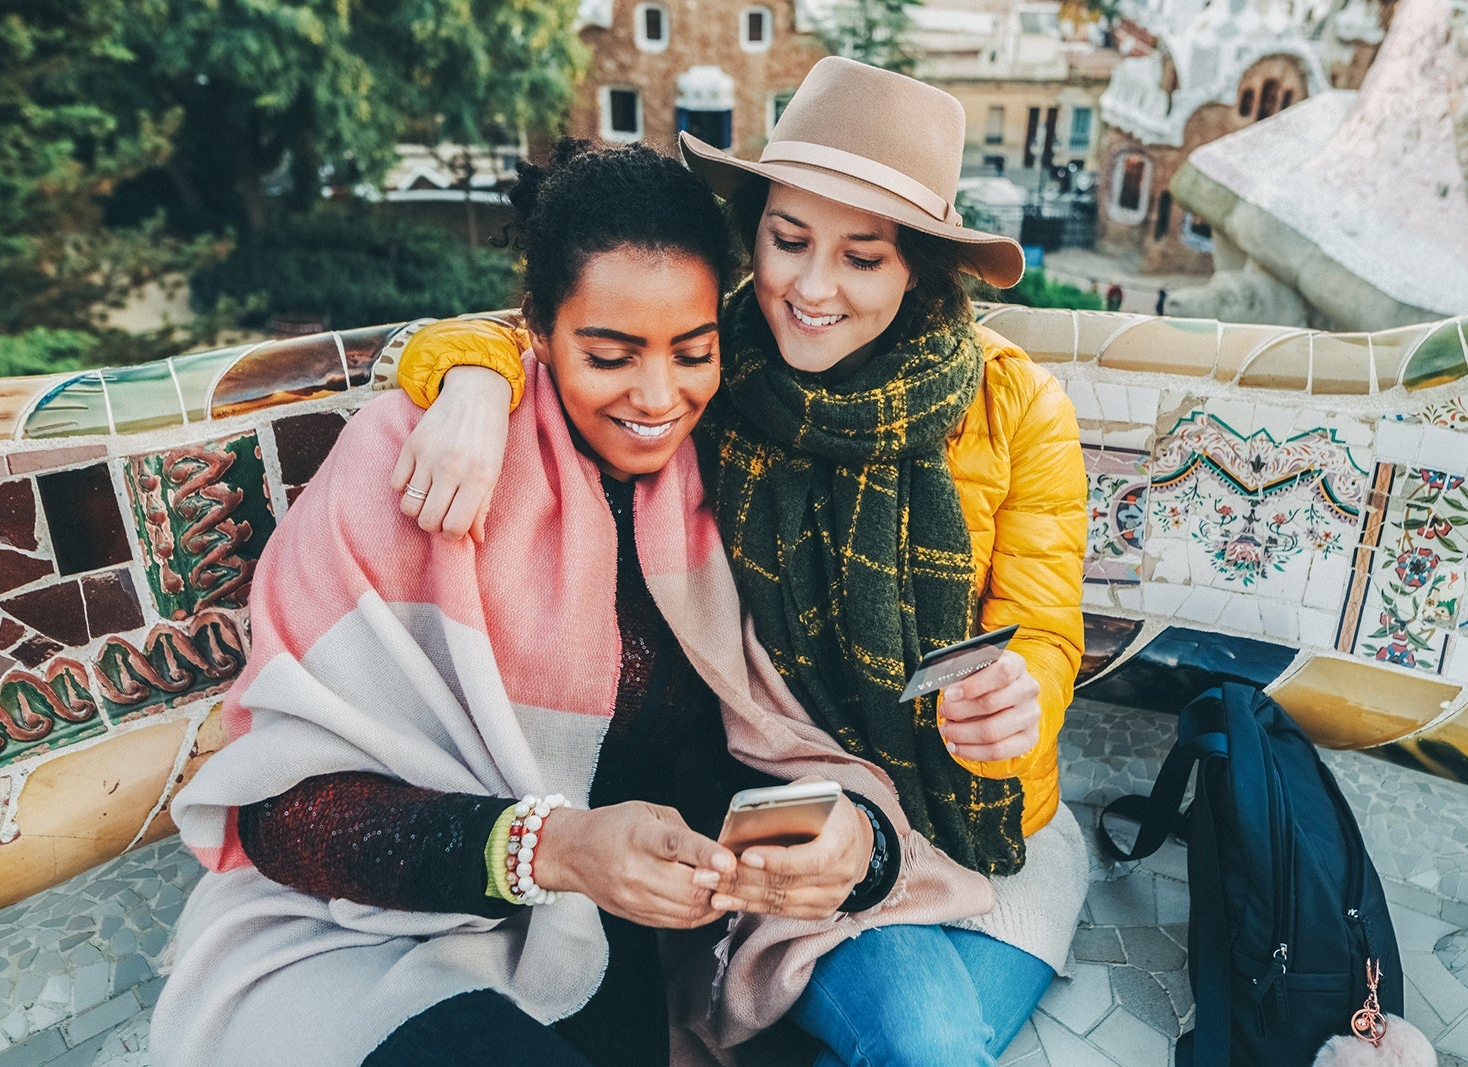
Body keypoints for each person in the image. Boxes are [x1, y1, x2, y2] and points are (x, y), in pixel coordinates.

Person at [150, 140, 1010, 1067]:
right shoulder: (417, 460)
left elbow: (753, 738)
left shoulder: (721, 476)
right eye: (609, 354)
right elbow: (283, 815)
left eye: (692, 351)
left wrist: (854, 840)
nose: (657, 396)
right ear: (539, 331)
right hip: (361, 934)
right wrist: (548, 848)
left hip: (606, 930)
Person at [385, 58, 1089, 1065]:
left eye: (862, 257)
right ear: (752, 232)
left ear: (918, 268)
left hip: (970, 804)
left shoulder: (1017, 410)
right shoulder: (712, 362)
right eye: (788, 240)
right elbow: (572, 322)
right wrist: (463, 377)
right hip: (791, 809)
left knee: (928, 1041)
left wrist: (1022, 698)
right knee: (928, 1043)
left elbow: (1044, 629)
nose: (810, 286)